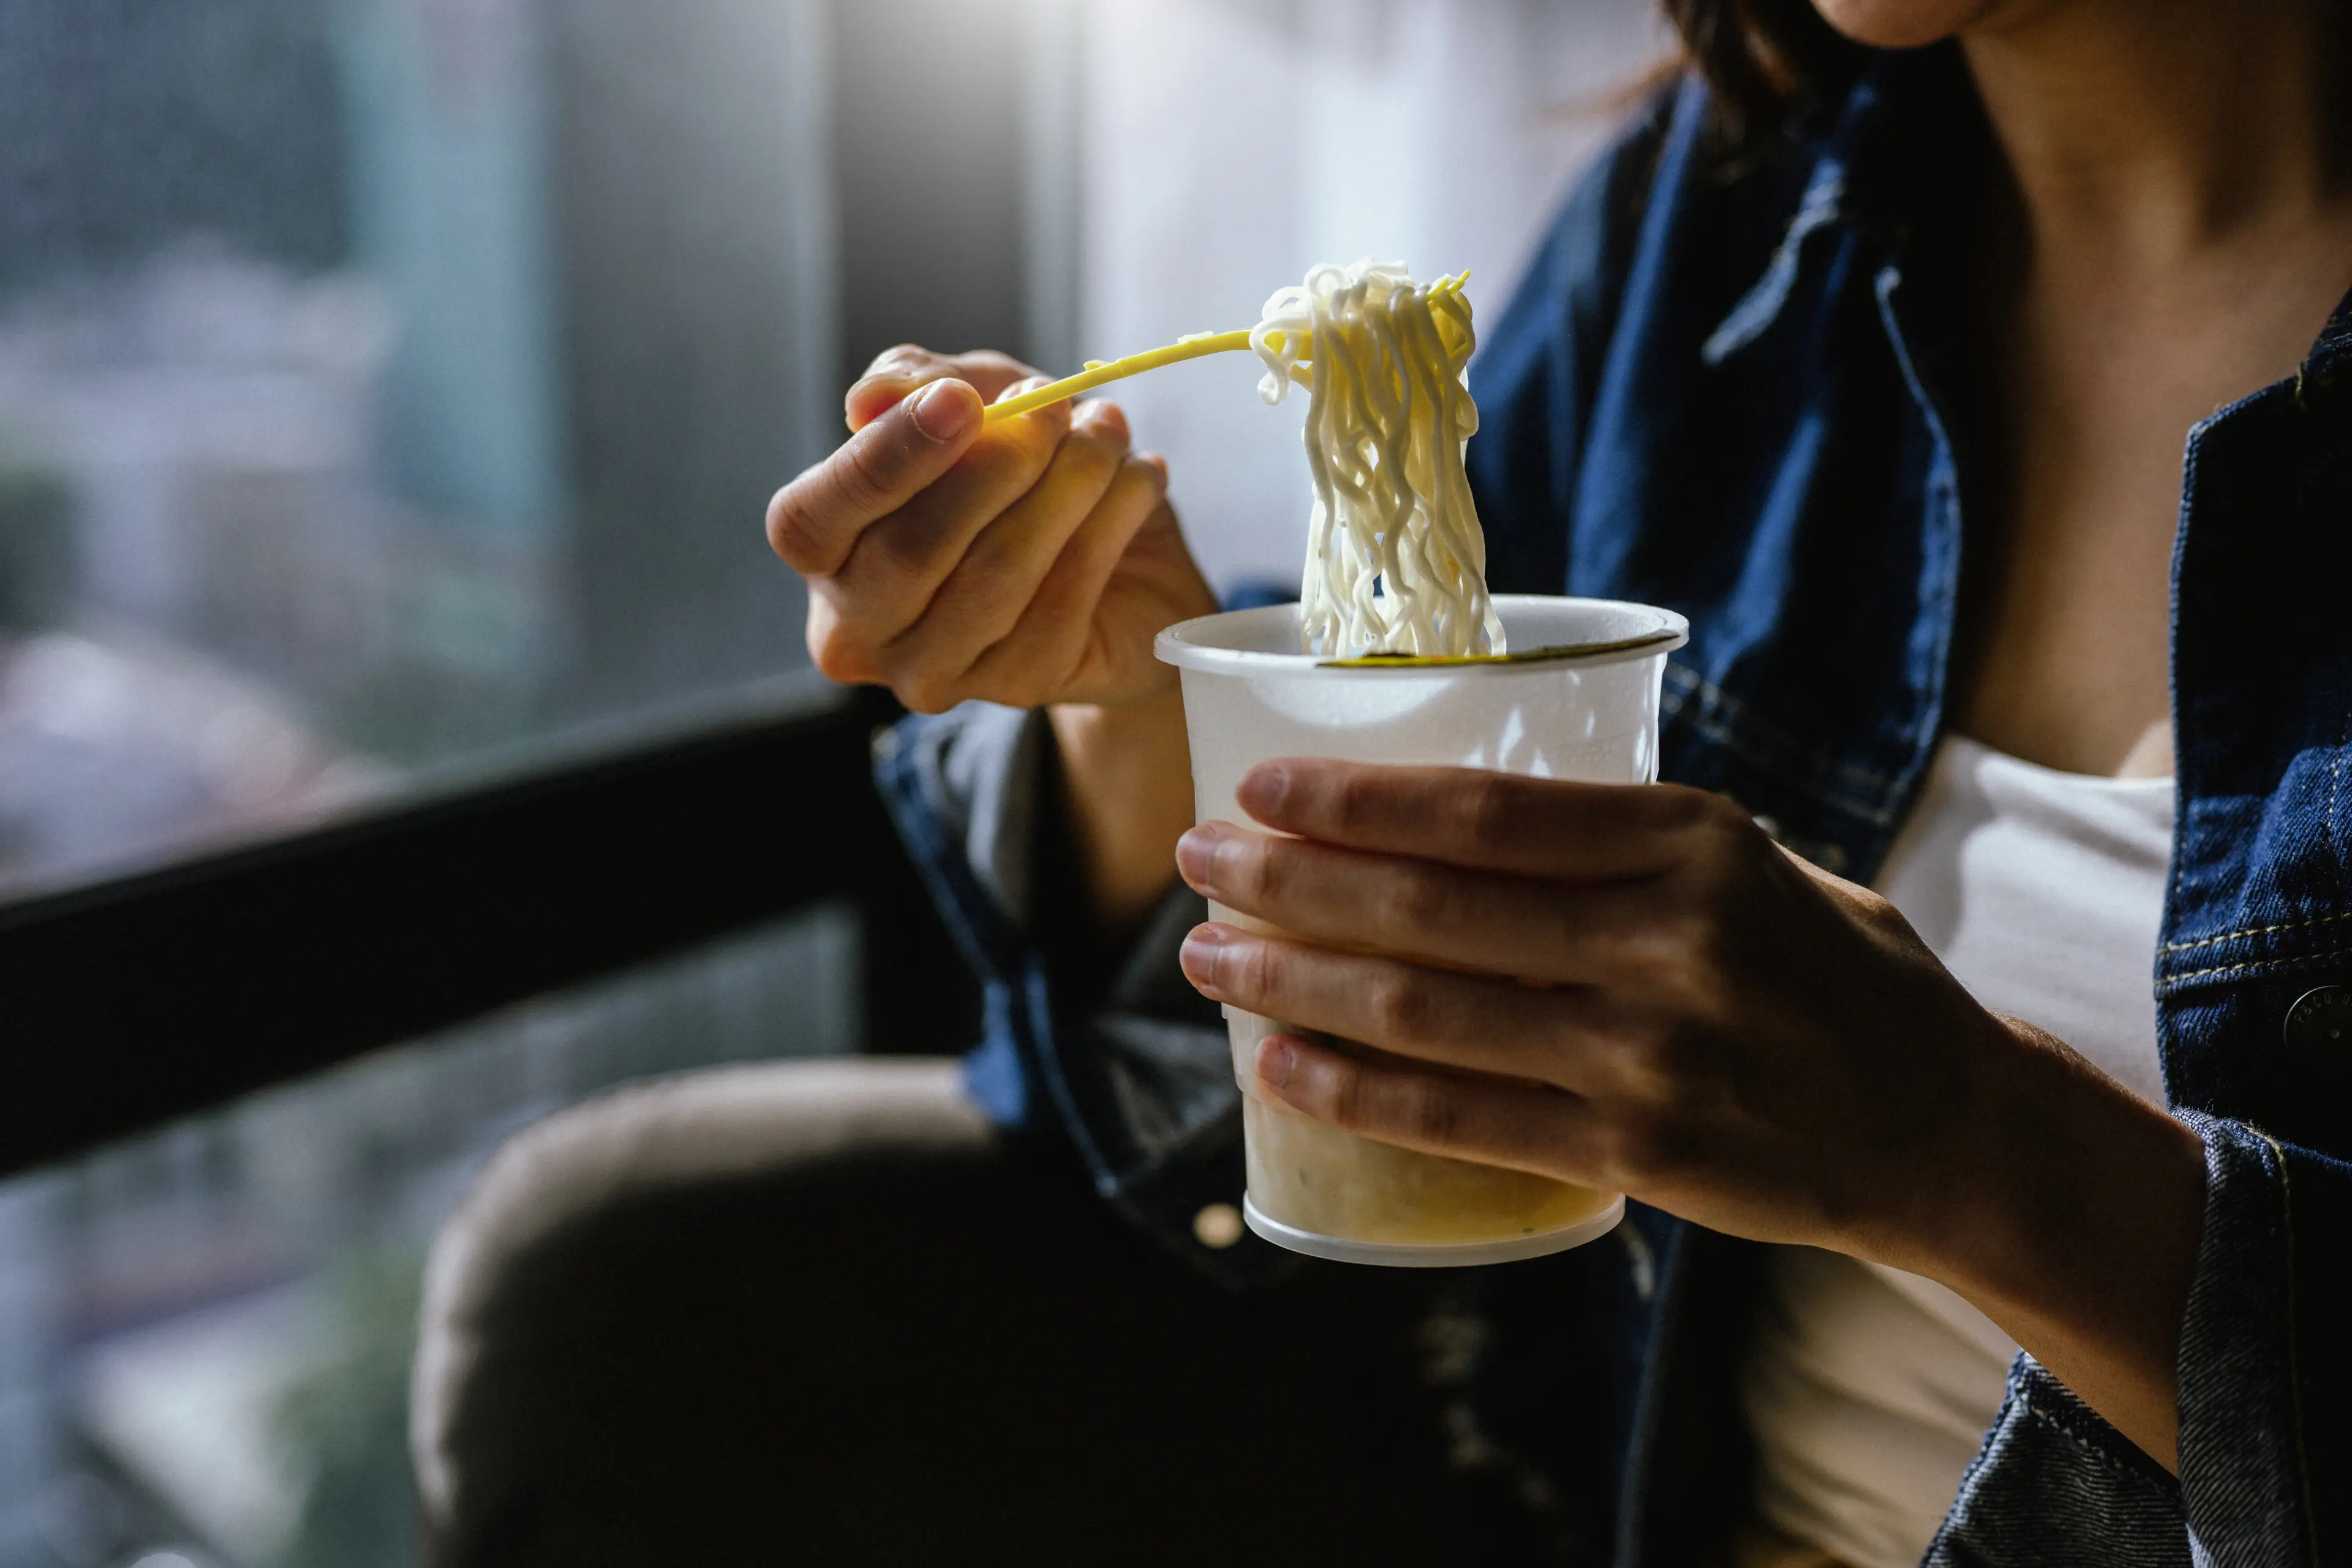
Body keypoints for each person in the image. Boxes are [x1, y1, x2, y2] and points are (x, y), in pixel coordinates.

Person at [413, 0, 2351, 1562]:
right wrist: (1133, 675)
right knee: (603, 1285)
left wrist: (1975, 1149)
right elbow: (1256, 1095)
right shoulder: (1716, 225)